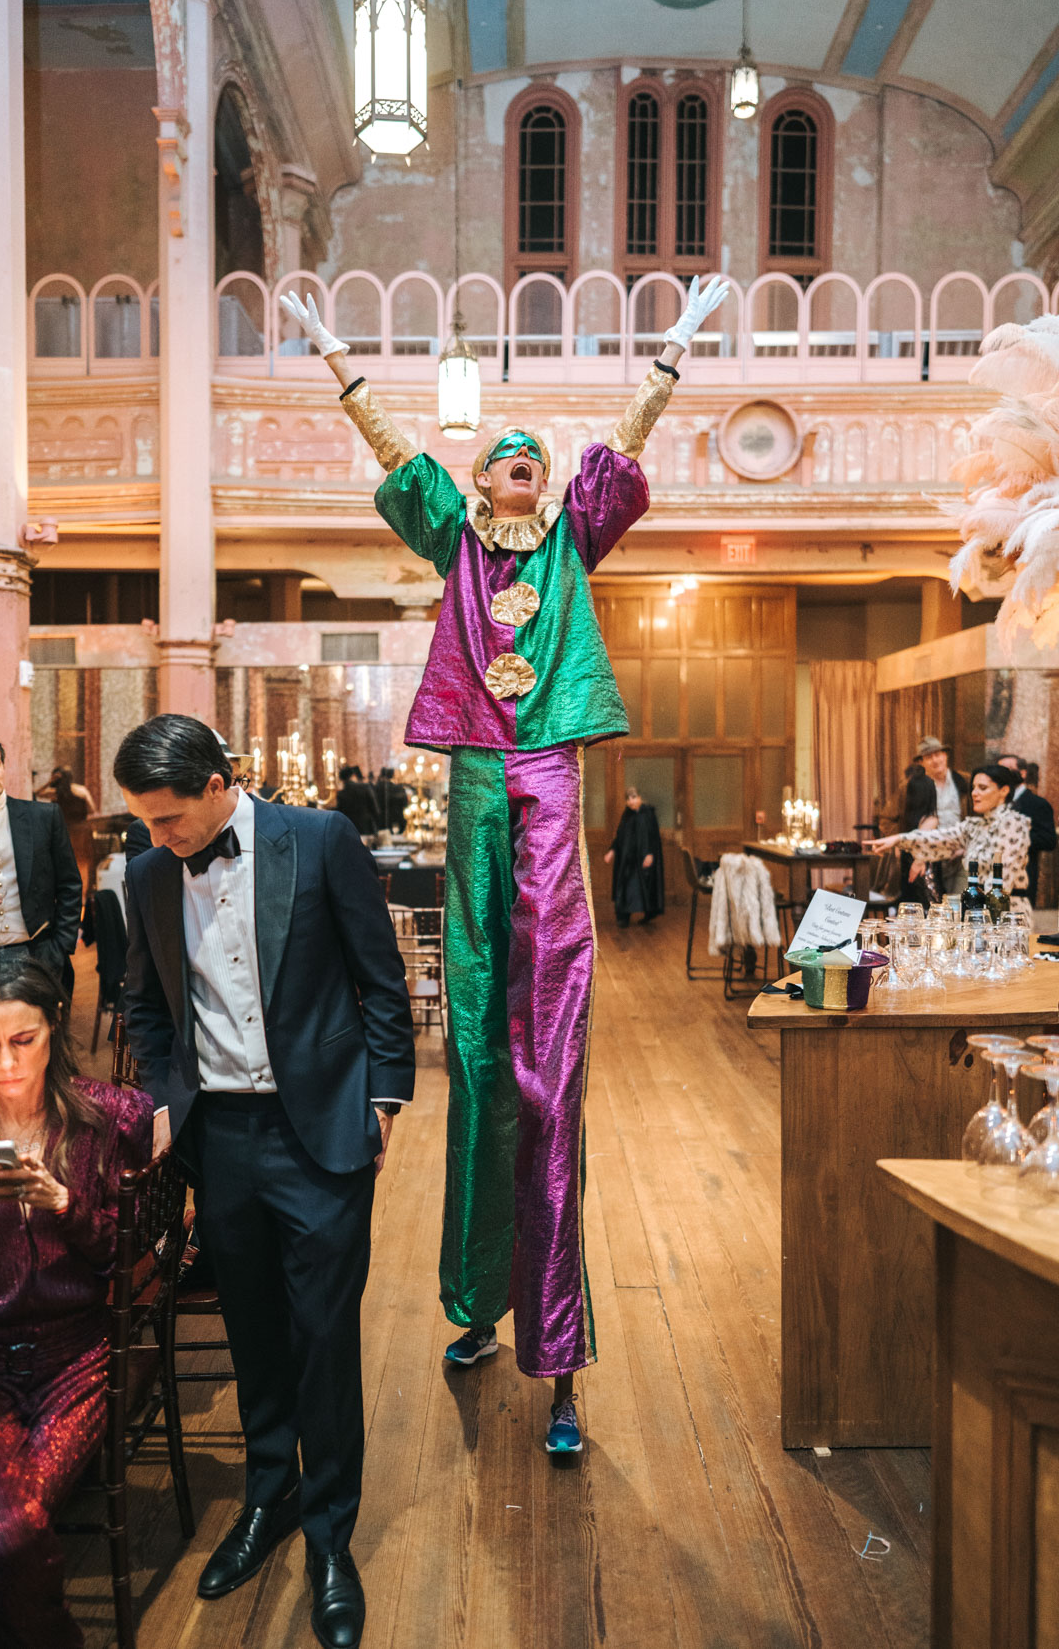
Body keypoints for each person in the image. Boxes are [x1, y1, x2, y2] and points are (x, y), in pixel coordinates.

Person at [281, 271, 730, 1454]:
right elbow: (388, 446)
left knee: (547, 1070)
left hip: (543, 777)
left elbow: (621, 445)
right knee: (476, 1060)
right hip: (478, 773)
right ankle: (477, 1304)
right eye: (507, 454)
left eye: (536, 455)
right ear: (479, 479)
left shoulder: (575, 535)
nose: (524, 461)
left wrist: (672, 352)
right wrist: (336, 352)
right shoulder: (455, 539)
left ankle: (561, 1349)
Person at [116, 715, 415, 1649]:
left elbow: (380, 979)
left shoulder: (318, 839)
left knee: (323, 1336)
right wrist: (170, 1103)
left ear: (217, 785)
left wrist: (385, 1098)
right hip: (222, 1138)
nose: (157, 839)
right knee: (249, 1324)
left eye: (168, 819)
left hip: (320, 1126)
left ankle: (331, 1537)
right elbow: (143, 1002)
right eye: (144, 823)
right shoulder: (148, 872)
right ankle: (267, 1494)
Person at [0, 948, 152, 1648]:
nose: (6, 1062)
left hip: (77, 1355)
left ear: (53, 1030)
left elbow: (130, 1262)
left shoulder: (108, 1118)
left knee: (4, 1539)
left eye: (24, 1040)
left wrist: (66, 1203)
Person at [0, 733, 82, 998]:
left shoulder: (43, 816)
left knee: (42, 1034)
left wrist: (60, 946)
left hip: (38, 952)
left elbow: (70, 884)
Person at [867, 763, 1031, 906]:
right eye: (973, 788)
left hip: (1007, 916)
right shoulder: (975, 825)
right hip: (979, 913)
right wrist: (898, 839)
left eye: (982, 788)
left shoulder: (1012, 823)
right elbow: (939, 839)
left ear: (1004, 791)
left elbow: (1001, 884)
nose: (974, 793)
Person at [997, 753, 1057, 907]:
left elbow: (1049, 840)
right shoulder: (995, 803)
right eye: (1000, 770)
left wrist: (1017, 835)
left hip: (1023, 874)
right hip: (995, 873)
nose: (1003, 774)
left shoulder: (1038, 804)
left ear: (1023, 773)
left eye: (1008, 769)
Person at [915, 735, 969, 898]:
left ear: (945, 755)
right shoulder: (913, 787)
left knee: (960, 902)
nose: (935, 760)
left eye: (937, 754)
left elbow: (978, 817)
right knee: (934, 907)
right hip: (930, 857)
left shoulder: (965, 781)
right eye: (929, 757)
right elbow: (888, 818)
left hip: (961, 854)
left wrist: (967, 845)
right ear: (921, 762)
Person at [605, 787, 664, 926]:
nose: (631, 801)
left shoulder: (648, 814)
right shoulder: (627, 815)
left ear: (640, 798)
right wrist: (612, 851)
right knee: (627, 887)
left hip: (644, 858)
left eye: (634, 797)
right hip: (627, 859)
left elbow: (653, 836)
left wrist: (650, 854)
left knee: (646, 887)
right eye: (628, 798)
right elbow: (620, 836)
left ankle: (649, 913)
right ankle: (623, 917)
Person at [35, 767, 96, 894]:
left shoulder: (56, 792)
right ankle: (83, 894)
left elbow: (37, 793)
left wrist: (49, 781)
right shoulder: (81, 790)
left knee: (65, 864)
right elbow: (92, 809)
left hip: (65, 831)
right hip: (81, 830)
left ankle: (70, 893)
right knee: (83, 864)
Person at [895, 763, 938, 908]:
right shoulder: (930, 820)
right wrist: (919, 861)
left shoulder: (906, 822)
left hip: (906, 870)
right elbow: (923, 842)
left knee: (908, 909)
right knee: (923, 909)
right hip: (921, 871)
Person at [336, 766, 380, 840]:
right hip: (367, 828)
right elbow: (375, 809)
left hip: (350, 830)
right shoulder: (365, 787)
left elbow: (341, 815)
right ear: (352, 776)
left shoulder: (341, 794)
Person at [375, 767, 408, 836]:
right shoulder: (399, 788)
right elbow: (405, 803)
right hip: (396, 821)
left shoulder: (376, 788)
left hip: (380, 821)